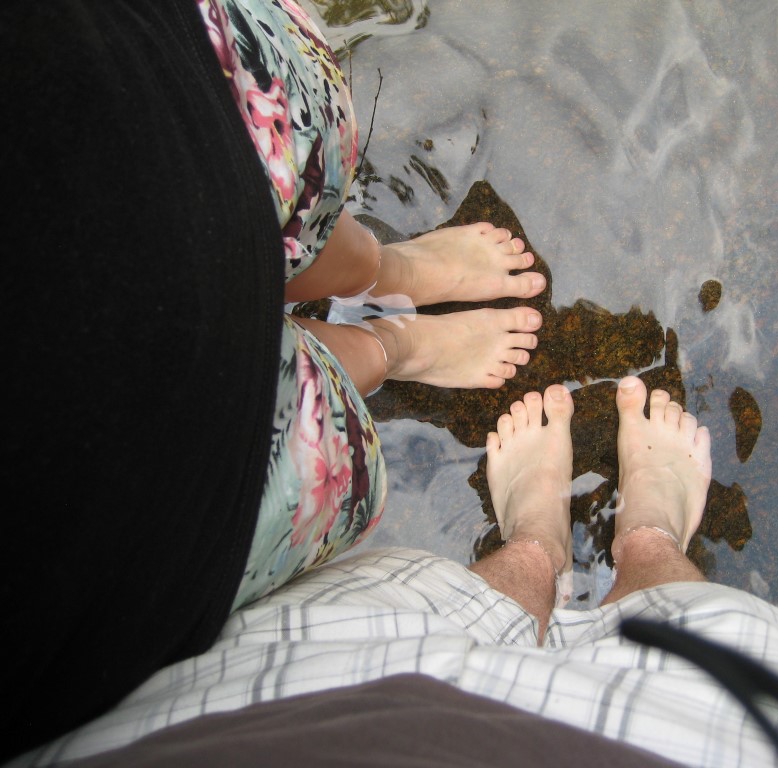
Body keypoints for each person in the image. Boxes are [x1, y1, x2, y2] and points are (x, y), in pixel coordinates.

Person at [1, 0, 543, 760]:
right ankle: (391, 339)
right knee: (247, 416)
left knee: (235, 173)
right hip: (91, 517)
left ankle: (389, 272)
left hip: (93, 109)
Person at [20, 378, 778, 768]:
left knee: (439, 613)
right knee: (701, 644)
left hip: (303, 710)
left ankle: (536, 543)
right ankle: (644, 541)